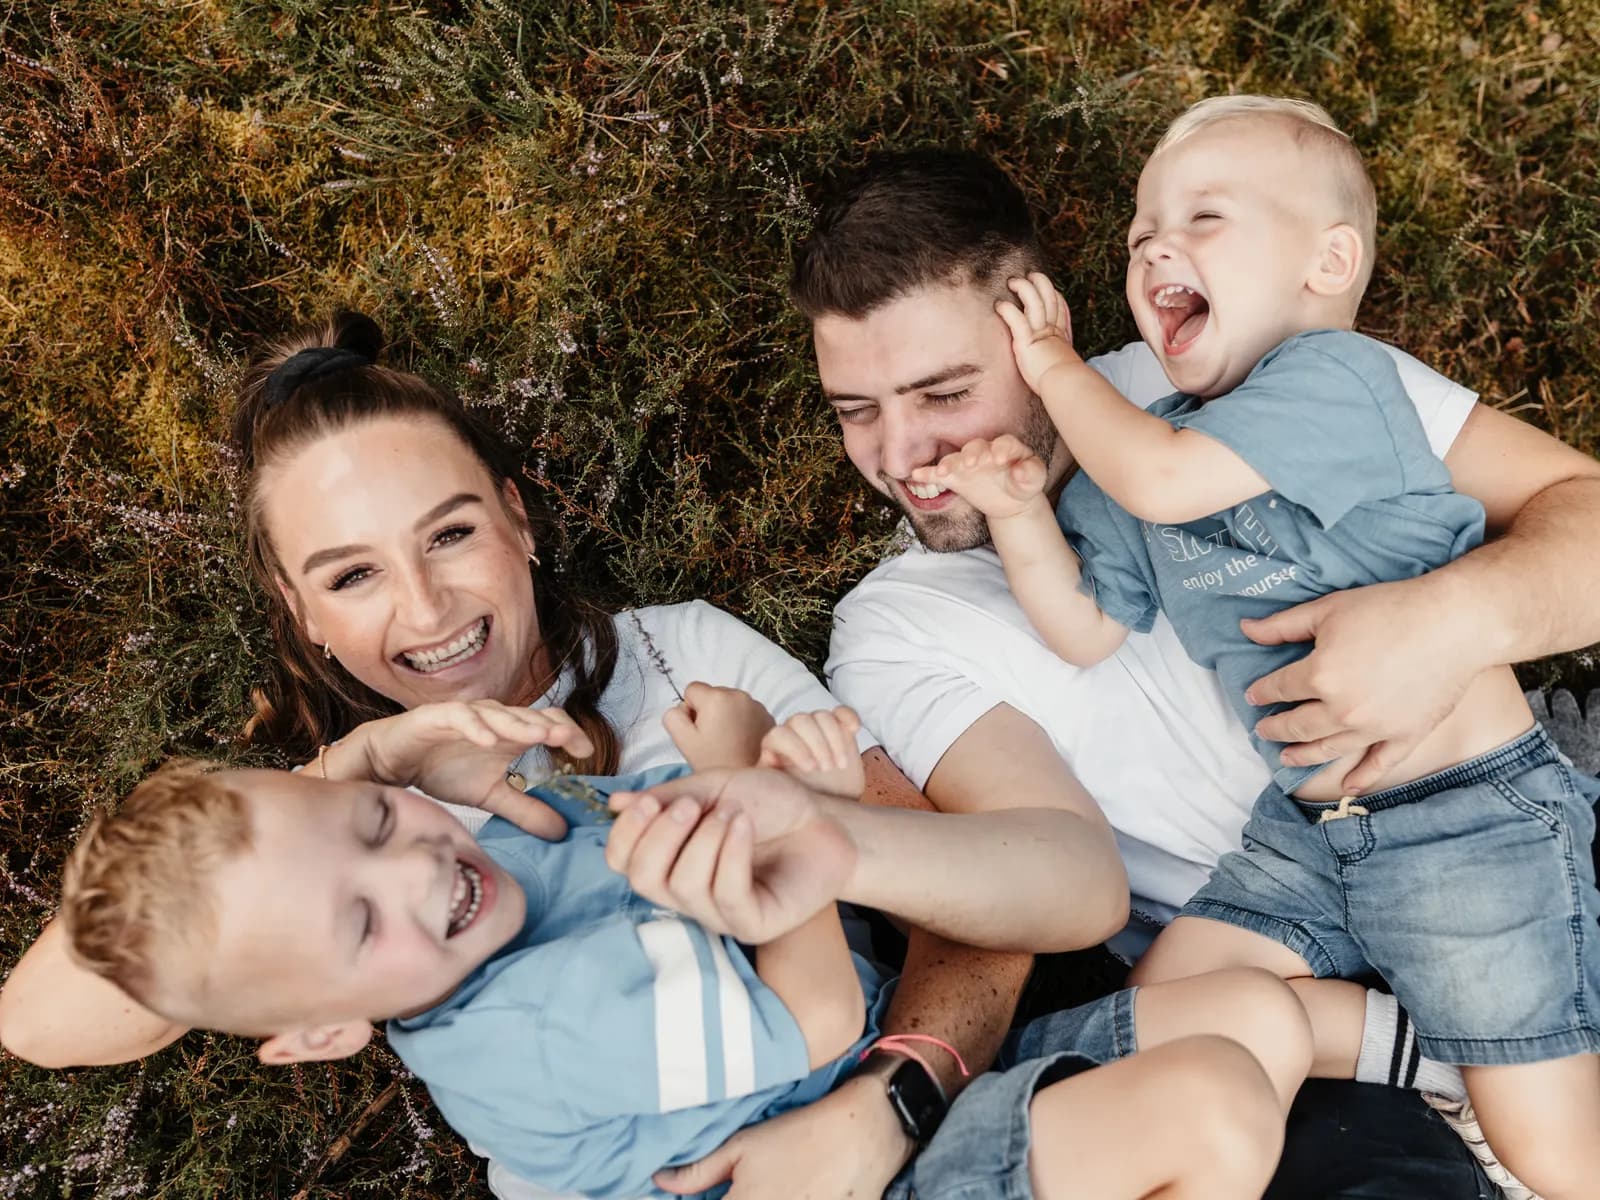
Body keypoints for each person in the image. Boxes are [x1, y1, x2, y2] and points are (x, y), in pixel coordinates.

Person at [0, 311, 1127, 1200]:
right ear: (301, 615)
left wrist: (891, 1102)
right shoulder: (303, 849)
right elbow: (38, 1026)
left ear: (518, 521)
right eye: (351, 575)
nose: (426, 605)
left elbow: (969, 897)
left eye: (449, 534)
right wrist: (353, 772)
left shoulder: (677, 657)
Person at [796, 146, 1600, 1199]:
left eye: (943, 393)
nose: (902, 454)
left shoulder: (1240, 373)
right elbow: (1052, 862)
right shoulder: (895, 629)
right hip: (1276, 943)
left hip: (1479, 801)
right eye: (856, 409)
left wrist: (1443, 621)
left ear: (1037, 333)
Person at [60, 699, 1314, 1200]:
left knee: (1253, 1019)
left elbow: (680, 817)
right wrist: (773, 814)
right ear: (327, 1031)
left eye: (379, 823)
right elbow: (817, 1019)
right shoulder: (516, 1038)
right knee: (1207, 1104)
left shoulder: (506, 845)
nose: (416, 870)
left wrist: (414, 761)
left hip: (907, 1091)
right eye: (360, 921)